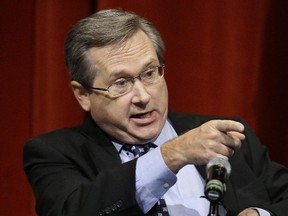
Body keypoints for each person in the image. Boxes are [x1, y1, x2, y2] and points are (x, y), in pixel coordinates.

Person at [23, 9, 288, 216]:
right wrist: (172, 154)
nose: (143, 96)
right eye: (121, 83)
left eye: (150, 73)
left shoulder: (224, 135)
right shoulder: (54, 153)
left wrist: (259, 213)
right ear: (83, 94)